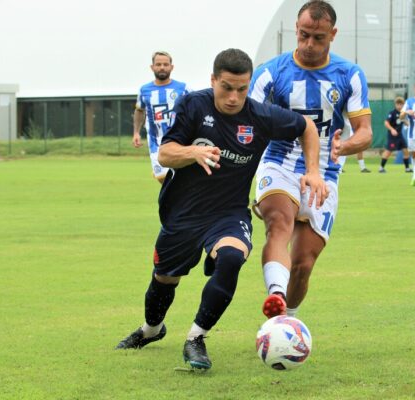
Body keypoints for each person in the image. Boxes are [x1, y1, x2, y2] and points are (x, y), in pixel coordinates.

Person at [115, 48, 327, 371]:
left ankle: (196, 338)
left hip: (229, 213)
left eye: (242, 89)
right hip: (183, 213)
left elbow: (306, 128)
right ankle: (152, 330)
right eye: (226, 87)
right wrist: (193, 153)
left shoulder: (260, 116)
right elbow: (166, 154)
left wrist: (312, 170)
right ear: (213, 80)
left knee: (231, 257)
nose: (234, 96)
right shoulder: (193, 105)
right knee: (164, 280)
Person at [249, 0, 373, 319]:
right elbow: (244, 126)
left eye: (318, 38)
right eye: (303, 35)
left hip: (326, 175)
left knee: (303, 262)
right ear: (296, 29)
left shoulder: (350, 75)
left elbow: (364, 132)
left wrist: (343, 147)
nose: (309, 44)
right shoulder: (270, 74)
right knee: (278, 223)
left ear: (333, 34)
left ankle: (285, 322)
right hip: (279, 164)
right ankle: (275, 295)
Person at [132, 51, 192, 183]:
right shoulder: (144, 90)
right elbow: (139, 110)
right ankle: (176, 202)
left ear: (171, 67)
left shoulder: (183, 88)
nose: (162, 67)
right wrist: (136, 132)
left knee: (183, 177)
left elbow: (196, 107)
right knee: (163, 179)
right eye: (158, 64)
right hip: (155, 142)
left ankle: (181, 202)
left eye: (165, 64)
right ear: (152, 67)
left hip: (180, 138)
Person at [379, 97, 412, 173]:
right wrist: (392, 129)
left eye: (401, 104)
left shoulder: (403, 113)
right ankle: (381, 168)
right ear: (395, 105)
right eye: (398, 104)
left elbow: (404, 121)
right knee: (389, 151)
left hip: (399, 136)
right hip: (392, 136)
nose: (399, 106)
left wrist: (407, 123)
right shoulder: (392, 113)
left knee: (405, 150)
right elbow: (386, 123)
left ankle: (407, 168)